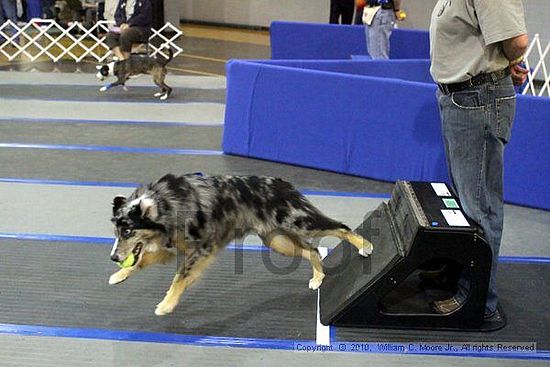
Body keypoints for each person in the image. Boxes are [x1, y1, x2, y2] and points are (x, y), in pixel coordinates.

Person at [429, 0, 529, 320]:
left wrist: (501, 61)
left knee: (480, 206)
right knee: (466, 201)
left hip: (478, 99)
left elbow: (517, 43)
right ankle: (462, 275)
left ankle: (478, 300)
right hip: (462, 97)